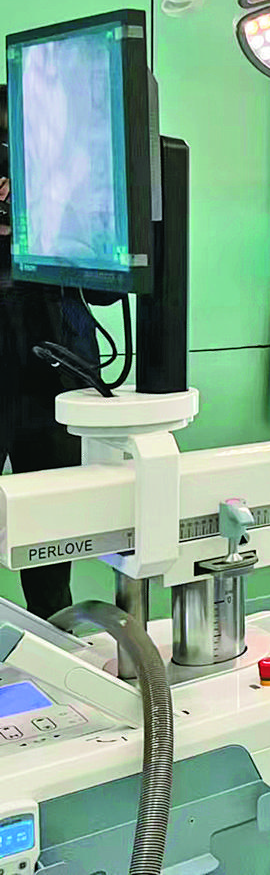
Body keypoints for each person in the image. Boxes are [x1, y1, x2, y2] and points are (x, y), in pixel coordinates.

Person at [0, 99, 100, 621]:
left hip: (58, 369)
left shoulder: (68, 186)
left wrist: (56, 214)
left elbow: (107, 290)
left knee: (52, 538)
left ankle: (56, 640)